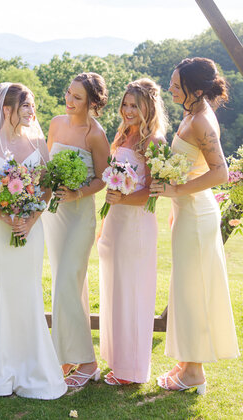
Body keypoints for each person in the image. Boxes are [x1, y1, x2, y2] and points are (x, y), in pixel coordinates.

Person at [0, 83, 67, 399]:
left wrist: (30, 219)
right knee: (0, 289)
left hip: (30, 232)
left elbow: (46, 188)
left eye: (32, 106)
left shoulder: (38, 143)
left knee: (27, 290)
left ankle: (29, 361)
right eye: (27, 107)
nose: (33, 112)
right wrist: (3, 214)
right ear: (7, 110)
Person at [150, 57, 240, 394]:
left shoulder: (203, 121)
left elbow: (220, 172)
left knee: (195, 289)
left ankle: (195, 372)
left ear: (196, 90)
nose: (171, 88)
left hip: (198, 213)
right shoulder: (191, 113)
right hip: (186, 212)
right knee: (185, 289)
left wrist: (176, 190)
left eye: (176, 85)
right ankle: (188, 362)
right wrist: (176, 200)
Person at [42, 72, 110, 387]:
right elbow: (46, 162)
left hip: (80, 215)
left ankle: (87, 361)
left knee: (68, 280)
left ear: (92, 102)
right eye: (68, 93)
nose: (69, 101)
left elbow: (104, 177)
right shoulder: (56, 123)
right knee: (62, 284)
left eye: (77, 98)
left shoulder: (96, 134)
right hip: (54, 216)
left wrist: (77, 192)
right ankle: (66, 357)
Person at [98, 79, 167, 386]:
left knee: (134, 294)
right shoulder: (124, 135)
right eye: (125, 104)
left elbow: (154, 193)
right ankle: (118, 362)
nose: (127, 111)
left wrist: (123, 197)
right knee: (116, 291)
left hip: (137, 223)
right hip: (116, 222)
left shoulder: (153, 142)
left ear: (148, 108)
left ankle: (133, 371)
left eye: (134, 106)